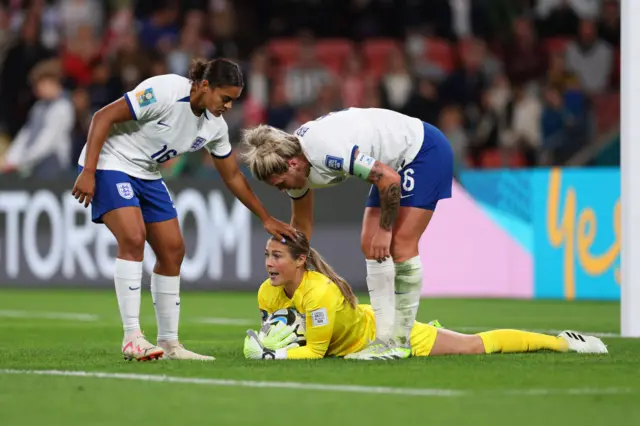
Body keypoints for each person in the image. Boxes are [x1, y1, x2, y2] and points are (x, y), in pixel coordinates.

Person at [72, 58, 296, 362]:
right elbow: (102, 117)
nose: (228, 107)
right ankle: (132, 337)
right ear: (205, 86)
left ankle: (170, 343)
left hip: (147, 173)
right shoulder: (164, 90)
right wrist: (89, 170)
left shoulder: (214, 127)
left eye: (233, 101)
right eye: (225, 98)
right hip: (111, 162)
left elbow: (232, 175)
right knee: (134, 238)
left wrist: (265, 217)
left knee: (173, 251)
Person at [241, 107, 454, 360]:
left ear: (293, 164)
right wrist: (294, 273)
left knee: (399, 244)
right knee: (369, 244)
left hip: (422, 151)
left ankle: (399, 341)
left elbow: (389, 179)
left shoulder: (325, 152)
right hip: (391, 167)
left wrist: (385, 231)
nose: (281, 190)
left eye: (280, 184)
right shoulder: (298, 170)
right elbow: (302, 225)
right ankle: (384, 338)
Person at [243, 233, 608, 360]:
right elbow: (285, 332)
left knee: (473, 346)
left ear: (301, 261)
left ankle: (562, 342)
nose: (269, 263)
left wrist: (273, 355)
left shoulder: (318, 291)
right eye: (266, 255)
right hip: (350, 342)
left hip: (376, 335)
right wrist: (271, 345)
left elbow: (315, 352)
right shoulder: (267, 291)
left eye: (276, 256)